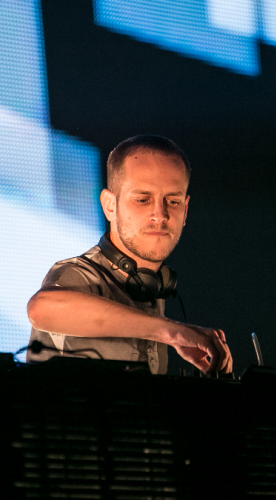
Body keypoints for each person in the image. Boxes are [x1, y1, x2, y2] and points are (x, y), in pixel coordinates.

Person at [26, 135, 232, 375]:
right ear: (110, 205)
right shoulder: (81, 274)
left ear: (185, 211)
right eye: (143, 200)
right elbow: (41, 309)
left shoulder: (152, 292)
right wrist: (171, 332)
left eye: (173, 201)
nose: (160, 215)